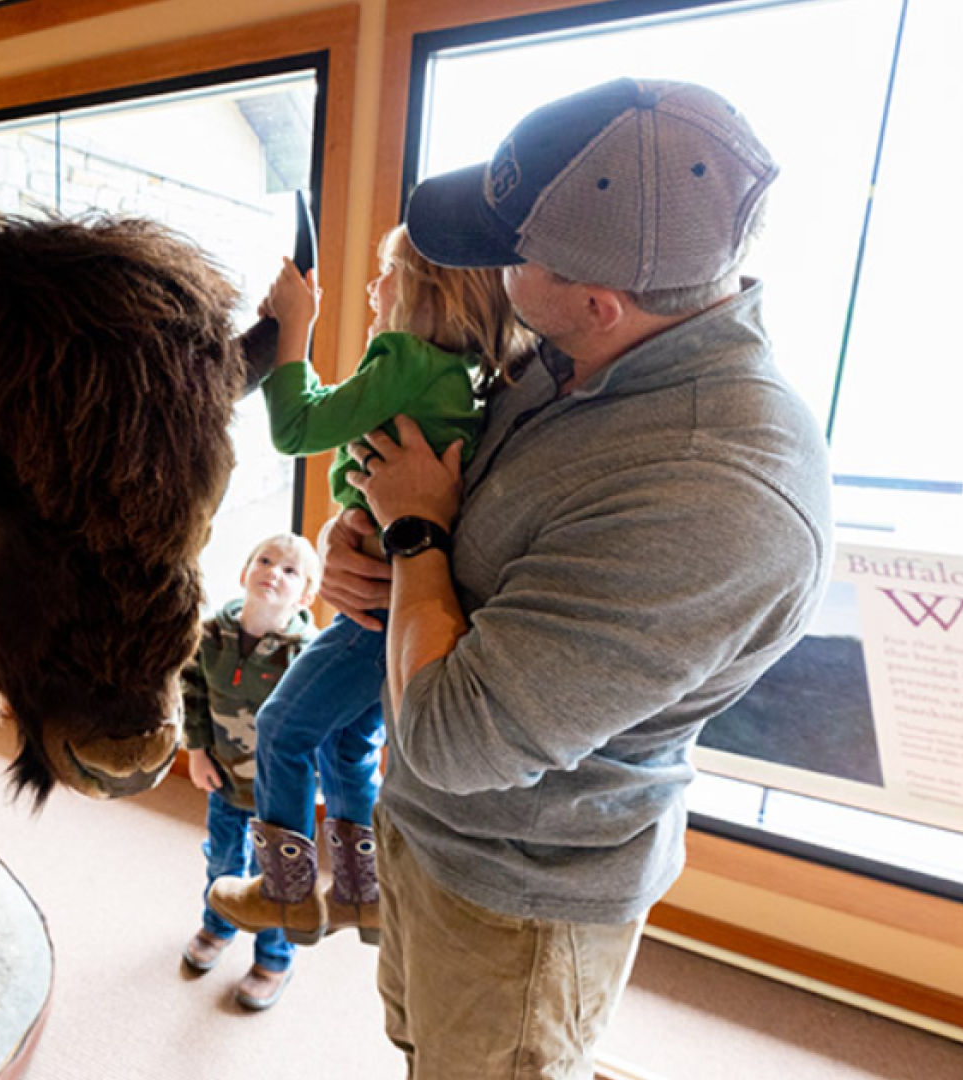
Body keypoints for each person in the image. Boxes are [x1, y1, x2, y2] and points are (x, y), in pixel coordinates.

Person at [336, 78, 834, 1079]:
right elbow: (501, 571)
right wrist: (392, 561)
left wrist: (418, 533)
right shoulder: (572, 355)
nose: (495, 264)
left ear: (601, 302)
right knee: (417, 1045)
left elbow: (451, 738)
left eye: (516, 250)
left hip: (521, 891)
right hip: (436, 836)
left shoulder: (715, 495)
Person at [204, 223, 529, 954]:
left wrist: (296, 325)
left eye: (388, 276)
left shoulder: (406, 357)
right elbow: (332, 412)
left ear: (426, 293)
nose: (375, 290)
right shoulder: (454, 376)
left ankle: (285, 894)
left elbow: (296, 426)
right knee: (349, 746)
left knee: (285, 728)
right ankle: (361, 892)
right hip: (394, 600)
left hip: (377, 612)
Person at [178, 533, 321, 1011]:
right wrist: (196, 752)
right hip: (224, 780)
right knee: (222, 861)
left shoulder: (305, 652)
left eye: (289, 570)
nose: (272, 572)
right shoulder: (211, 636)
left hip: (279, 794)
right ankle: (218, 924)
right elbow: (191, 694)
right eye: (264, 560)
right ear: (244, 573)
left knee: (277, 876)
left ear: (304, 596)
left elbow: (319, 726)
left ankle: (275, 957)